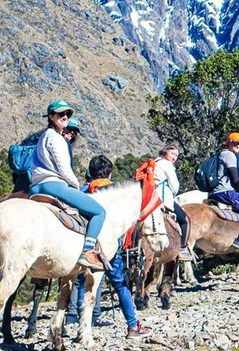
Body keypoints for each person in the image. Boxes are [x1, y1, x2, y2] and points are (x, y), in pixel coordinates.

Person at [73, 155, 152, 339]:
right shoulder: (115, 191)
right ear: (109, 173)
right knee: (120, 285)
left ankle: (77, 320)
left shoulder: (84, 191)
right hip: (111, 247)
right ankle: (132, 326)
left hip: (86, 245)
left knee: (80, 281)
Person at [29, 100, 106, 270]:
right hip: (54, 185)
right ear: (51, 116)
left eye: (68, 115)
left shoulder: (42, 137)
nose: (65, 117)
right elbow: (64, 169)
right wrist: (75, 186)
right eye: (60, 114)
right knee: (99, 212)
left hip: (35, 187)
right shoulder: (56, 138)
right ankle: (88, 251)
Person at [65, 155, 114, 328]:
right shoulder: (111, 190)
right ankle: (94, 314)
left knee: (77, 277)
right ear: (108, 173)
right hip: (100, 239)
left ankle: (71, 314)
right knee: (96, 279)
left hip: (79, 235)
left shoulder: (83, 190)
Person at [154, 144, 194, 261]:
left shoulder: (154, 163)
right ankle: (182, 249)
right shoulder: (167, 165)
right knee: (186, 220)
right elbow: (175, 186)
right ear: (165, 152)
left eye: (176, 155)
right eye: (172, 153)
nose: (174, 157)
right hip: (164, 200)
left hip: (150, 199)